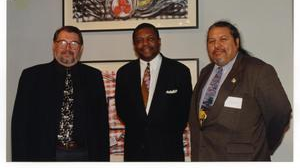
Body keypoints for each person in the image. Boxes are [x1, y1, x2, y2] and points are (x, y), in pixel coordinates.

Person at [189, 21, 292, 161]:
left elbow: (280, 112)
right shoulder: (205, 72)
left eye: (223, 39)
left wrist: (263, 144)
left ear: (236, 42)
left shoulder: (258, 71)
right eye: (211, 41)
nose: (216, 45)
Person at [11, 26, 110, 161]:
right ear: (54, 45)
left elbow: (101, 124)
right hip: (43, 155)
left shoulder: (94, 77)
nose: (67, 48)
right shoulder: (32, 77)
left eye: (73, 43)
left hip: (84, 155)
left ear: (81, 49)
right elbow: (19, 126)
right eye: (62, 42)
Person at [115, 23, 192, 161]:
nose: (145, 43)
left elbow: (184, 113)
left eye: (150, 38)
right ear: (134, 45)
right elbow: (122, 110)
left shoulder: (179, 72)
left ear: (159, 41)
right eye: (139, 40)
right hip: (135, 153)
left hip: (168, 152)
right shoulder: (124, 73)